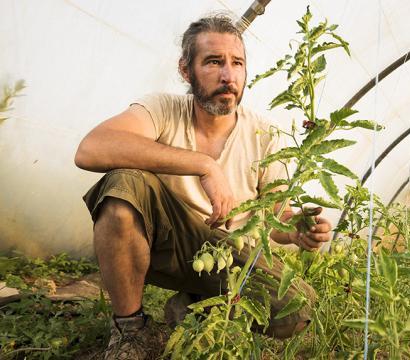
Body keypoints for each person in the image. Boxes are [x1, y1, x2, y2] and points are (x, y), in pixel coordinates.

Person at [74, 13, 332, 360]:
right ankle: (130, 331)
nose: (228, 75)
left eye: (236, 63)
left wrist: (296, 228)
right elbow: (91, 148)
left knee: (298, 310)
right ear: (186, 70)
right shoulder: (164, 109)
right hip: (170, 241)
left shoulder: (264, 133)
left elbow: (274, 212)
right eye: (213, 62)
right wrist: (203, 165)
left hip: (230, 255)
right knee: (123, 184)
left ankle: (194, 306)